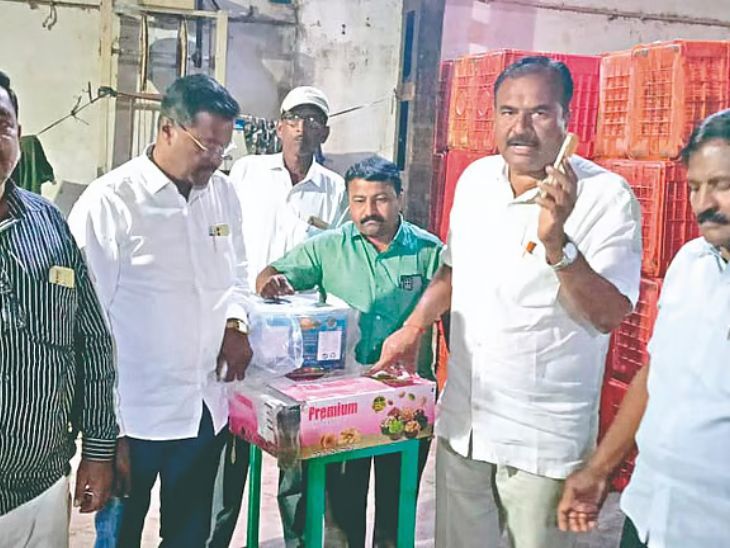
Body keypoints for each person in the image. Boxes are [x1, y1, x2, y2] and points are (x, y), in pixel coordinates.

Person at [373, 56, 642, 548]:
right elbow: (454, 270)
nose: (521, 128)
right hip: (466, 423)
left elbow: (608, 314)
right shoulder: (476, 180)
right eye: (508, 112)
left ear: (567, 119)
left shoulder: (606, 197)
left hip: (541, 437)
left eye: (539, 112)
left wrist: (558, 244)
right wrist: (414, 327)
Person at [68, 74, 253, 548]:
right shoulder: (111, 202)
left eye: (224, 149)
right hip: (135, 418)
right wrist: (105, 436)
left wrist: (236, 321)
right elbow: (84, 325)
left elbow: (238, 274)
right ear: (167, 129)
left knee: (189, 537)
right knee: (120, 538)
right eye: (206, 146)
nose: (215, 159)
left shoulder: (223, 194)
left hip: (202, 411)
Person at [557, 109, 730, 547]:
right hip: (651, 511)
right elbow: (656, 373)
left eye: (721, 185)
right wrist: (599, 470)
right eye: (695, 187)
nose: (704, 204)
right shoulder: (690, 263)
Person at [257, 155, 442, 548]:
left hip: (405, 402)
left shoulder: (429, 252)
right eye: (359, 201)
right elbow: (270, 275)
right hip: (344, 406)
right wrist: (273, 284)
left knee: (397, 511)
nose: (369, 210)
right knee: (341, 516)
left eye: (380, 199)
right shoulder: (328, 247)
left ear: (399, 198)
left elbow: (453, 314)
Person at [208, 85, 347, 548]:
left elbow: (334, 259)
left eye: (313, 120)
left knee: (295, 450)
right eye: (294, 118)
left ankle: (297, 541)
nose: (302, 128)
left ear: (325, 131)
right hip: (242, 324)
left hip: (298, 334)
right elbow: (225, 239)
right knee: (230, 443)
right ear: (280, 126)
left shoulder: (334, 189)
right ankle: (214, 538)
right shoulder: (248, 172)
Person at [0, 71, 117, 546]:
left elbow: (92, 342)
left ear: (19, 135)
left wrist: (99, 449)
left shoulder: (48, 223)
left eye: (2, 124)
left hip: (40, 489)